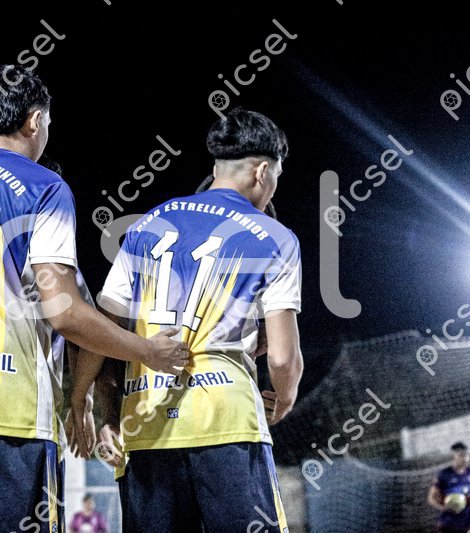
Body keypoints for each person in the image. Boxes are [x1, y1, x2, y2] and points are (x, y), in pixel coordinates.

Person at [0, 64, 188, 532]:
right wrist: (146, 350)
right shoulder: (43, 186)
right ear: (34, 121)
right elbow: (66, 314)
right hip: (8, 417)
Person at [71, 108, 303, 531]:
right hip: (227, 425)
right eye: (277, 176)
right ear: (263, 171)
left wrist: (82, 396)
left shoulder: (145, 226)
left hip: (146, 426)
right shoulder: (275, 236)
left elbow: (103, 331)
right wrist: (285, 396)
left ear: (217, 168)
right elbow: (284, 358)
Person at [428, 441, 470, 533]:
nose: (465, 458)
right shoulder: (443, 474)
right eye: (461, 455)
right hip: (448, 524)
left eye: (467, 455)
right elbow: (431, 498)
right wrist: (442, 507)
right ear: (453, 456)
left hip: (469, 523)